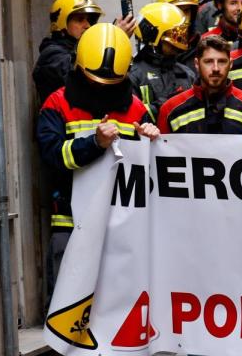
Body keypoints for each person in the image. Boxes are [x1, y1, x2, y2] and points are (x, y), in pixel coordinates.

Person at [36, 24, 159, 292]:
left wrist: (152, 140)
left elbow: (152, 171)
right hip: (71, 223)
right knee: (67, 304)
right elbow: (52, 156)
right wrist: (94, 144)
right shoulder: (57, 104)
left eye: (110, 84)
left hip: (123, 226)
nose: (101, 88)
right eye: (94, 81)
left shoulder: (137, 109)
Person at [157, 36, 242, 136]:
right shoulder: (170, 110)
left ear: (230, 64)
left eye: (222, 61)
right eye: (208, 62)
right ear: (196, 64)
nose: (216, 68)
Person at [128, 3, 196, 120]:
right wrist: (165, 105)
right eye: (173, 34)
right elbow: (132, 117)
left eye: (182, 33)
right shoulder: (133, 75)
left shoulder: (187, 73)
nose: (179, 39)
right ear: (152, 35)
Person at [33, 0, 104, 102]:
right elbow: (77, 77)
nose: (87, 25)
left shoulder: (78, 49)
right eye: (80, 20)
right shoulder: (51, 55)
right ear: (62, 23)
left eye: (89, 20)